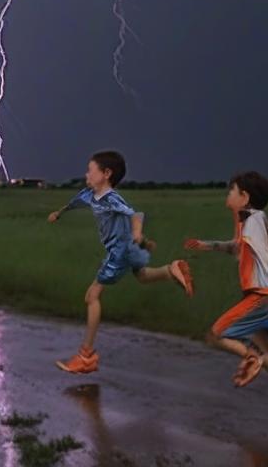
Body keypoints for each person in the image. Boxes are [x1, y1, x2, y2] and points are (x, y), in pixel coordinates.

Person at [184, 170, 268, 420]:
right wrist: (208, 245)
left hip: (259, 296)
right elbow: (240, 246)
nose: (228, 194)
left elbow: (257, 247)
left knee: (215, 335)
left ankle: (251, 357)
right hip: (266, 296)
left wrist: (262, 257)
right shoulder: (251, 218)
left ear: (244, 197)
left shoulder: (252, 220)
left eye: (232, 191)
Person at [47, 149, 194, 374]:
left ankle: (86, 356)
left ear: (106, 173)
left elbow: (134, 214)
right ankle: (171, 270)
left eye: (90, 171)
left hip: (120, 251)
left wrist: (137, 233)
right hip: (129, 247)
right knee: (143, 276)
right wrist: (59, 213)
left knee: (92, 296)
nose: (86, 175)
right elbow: (74, 203)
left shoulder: (112, 198)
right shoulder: (89, 194)